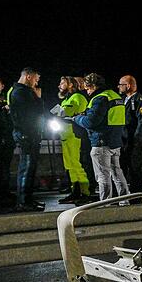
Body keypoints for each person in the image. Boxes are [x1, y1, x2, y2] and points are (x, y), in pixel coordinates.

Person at [72, 73, 130, 202]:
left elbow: (91, 122)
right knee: (117, 174)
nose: (87, 92)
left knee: (103, 176)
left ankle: (105, 205)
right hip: (115, 141)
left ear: (93, 86)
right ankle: (125, 201)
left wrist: (77, 118)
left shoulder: (100, 99)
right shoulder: (115, 96)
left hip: (101, 142)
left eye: (87, 88)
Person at [7, 67, 45, 212]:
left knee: (30, 168)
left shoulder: (21, 91)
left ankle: (28, 199)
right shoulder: (21, 92)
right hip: (26, 134)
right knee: (27, 168)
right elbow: (33, 113)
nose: (37, 82)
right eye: (36, 78)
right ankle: (23, 202)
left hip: (29, 134)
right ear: (28, 76)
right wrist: (39, 98)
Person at [56, 76, 93, 204]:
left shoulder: (78, 97)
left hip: (75, 135)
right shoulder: (67, 99)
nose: (59, 85)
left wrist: (59, 113)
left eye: (62, 83)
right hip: (65, 136)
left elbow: (65, 113)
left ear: (71, 85)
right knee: (70, 166)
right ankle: (75, 191)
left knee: (77, 165)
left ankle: (85, 192)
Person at [118, 75, 142, 192]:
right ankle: (123, 193)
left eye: (121, 84)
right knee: (121, 167)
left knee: (134, 168)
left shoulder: (140, 101)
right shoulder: (122, 100)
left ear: (128, 85)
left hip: (134, 141)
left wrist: (136, 141)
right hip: (123, 140)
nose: (118, 87)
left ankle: (136, 195)